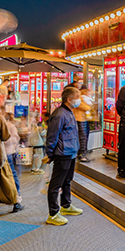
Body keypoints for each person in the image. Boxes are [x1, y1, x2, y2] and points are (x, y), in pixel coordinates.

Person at [44, 87, 84, 226]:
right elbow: (52, 135)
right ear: (69, 99)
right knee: (56, 184)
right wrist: (49, 153)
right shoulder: (60, 114)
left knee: (67, 180)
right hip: (62, 154)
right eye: (77, 97)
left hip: (70, 152)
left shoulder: (69, 112)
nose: (79, 100)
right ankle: (53, 213)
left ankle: (66, 205)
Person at [3, 112, 24, 209]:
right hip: (6, 153)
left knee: (11, 174)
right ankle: (16, 198)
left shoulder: (9, 126)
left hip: (6, 153)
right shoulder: (9, 125)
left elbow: (15, 139)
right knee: (12, 174)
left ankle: (16, 198)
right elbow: (15, 139)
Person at [72, 86, 92, 162]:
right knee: (83, 138)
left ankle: (81, 153)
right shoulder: (79, 99)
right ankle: (81, 155)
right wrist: (88, 106)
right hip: (80, 120)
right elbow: (86, 107)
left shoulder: (81, 99)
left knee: (83, 137)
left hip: (82, 119)